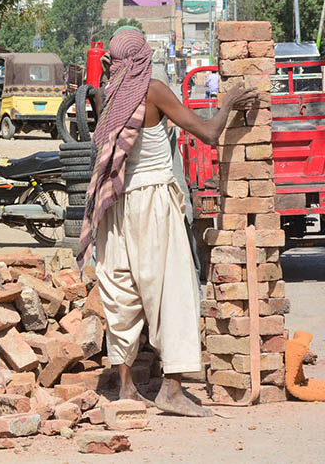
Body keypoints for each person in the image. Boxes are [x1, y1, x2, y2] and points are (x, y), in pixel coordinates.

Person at [78, 28, 256, 417]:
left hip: (117, 208)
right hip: (154, 203)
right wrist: (227, 104)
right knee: (173, 293)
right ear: (143, 58)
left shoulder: (109, 96)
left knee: (122, 294)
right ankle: (171, 390)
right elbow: (208, 133)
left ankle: (126, 388)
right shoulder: (151, 89)